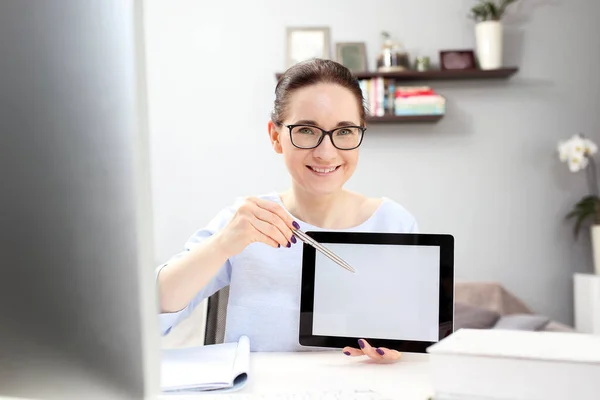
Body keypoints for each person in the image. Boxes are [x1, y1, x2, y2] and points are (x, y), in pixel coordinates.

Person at [156, 58, 418, 363]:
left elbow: (416, 342)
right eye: (307, 130)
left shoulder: (394, 223)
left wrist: (401, 351)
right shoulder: (247, 220)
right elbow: (151, 311)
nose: (326, 152)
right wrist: (221, 245)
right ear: (275, 136)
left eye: (344, 132)